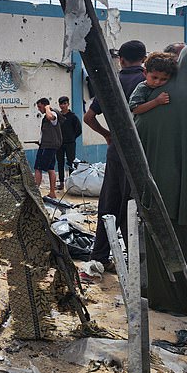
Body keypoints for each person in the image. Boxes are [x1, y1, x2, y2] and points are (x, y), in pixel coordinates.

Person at [136, 43, 187, 315]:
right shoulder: (159, 95)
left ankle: (172, 300)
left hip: (164, 194)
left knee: (168, 250)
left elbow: (136, 142)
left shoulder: (158, 100)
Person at [83, 40, 146, 272]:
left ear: (121, 59)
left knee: (109, 203)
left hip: (115, 151)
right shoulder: (148, 82)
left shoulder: (112, 83)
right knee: (133, 206)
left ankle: (99, 256)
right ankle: (135, 264)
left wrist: (108, 135)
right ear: (144, 59)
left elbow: (88, 117)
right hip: (140, 153)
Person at [34, 97, 62, 199]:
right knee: (50, 168)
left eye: (40, 107)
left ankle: (35, 192)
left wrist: (47, 108)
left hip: (48, 146)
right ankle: (52, 193)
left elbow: (51, 118)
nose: (39, 109)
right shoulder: (46, 117)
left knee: (38, 168)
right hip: (47, 145)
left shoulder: (52, 114)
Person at [56, 96, 82, 190]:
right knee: (60, 162)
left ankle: (71, 183)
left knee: (71, 162)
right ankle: (61, 182)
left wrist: (72, 137)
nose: (63, 106)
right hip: (59, 143)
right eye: (61, 104)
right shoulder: (58, 116)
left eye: (64, 103)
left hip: (70, 143)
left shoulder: (73, 117)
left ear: (68, 104)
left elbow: (78, 130)